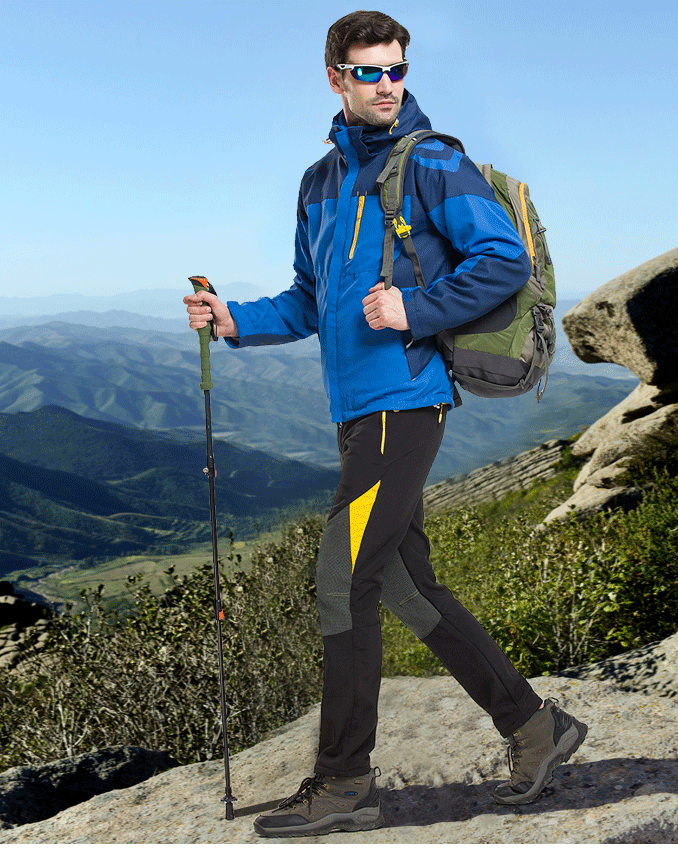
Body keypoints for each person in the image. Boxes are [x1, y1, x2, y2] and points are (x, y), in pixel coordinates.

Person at [184, 10, 588, 839]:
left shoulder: (434, 162)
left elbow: (503, 259)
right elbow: (306, 299)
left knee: (341, 582)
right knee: (404, 585)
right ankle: (539, 730)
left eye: (396, 69)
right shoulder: (319, 182)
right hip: (355, 415)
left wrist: (415, 308)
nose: (386, 84)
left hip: (404, 405)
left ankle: (344, 786)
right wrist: (233, 318)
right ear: (335, 77)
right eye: (368, 72)